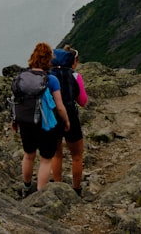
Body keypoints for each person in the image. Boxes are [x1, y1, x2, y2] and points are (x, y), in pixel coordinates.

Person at [11, 42, 70, 195]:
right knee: (45, 159)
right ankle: (40, 194)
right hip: (45, 125)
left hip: (25, 122)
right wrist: (66, 121)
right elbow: (59, 106)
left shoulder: (21, 77)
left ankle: (26, 186)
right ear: (48, 60)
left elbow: (16, 101)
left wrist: (14, 120)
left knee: (28, 155)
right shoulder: (51, 80)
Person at [51, 45, 88, 195]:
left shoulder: (48, 76)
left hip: (52, 118)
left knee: (56, 154)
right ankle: (77, 189)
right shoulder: (75, 76)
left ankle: (58, 186)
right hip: (71, 116)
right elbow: (83, 101)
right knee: (77, 156)